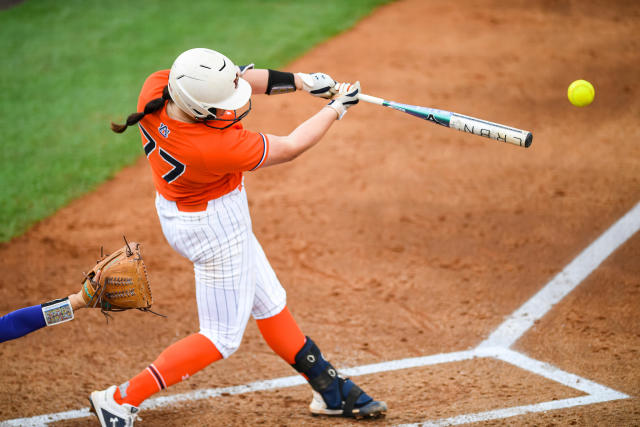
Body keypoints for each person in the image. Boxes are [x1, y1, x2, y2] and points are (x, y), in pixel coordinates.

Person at [89, 47, 386, 426]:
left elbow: (238, 79)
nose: (234, 105)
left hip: (186, 212)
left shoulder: (158, 88)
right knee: (220, 338)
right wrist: (337, 107)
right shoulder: (213, 147)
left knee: (269, 302)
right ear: (201, 110)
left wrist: (303, 82)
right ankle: (119, 399)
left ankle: (329, 389)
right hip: (214, 230)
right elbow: (291, 145)